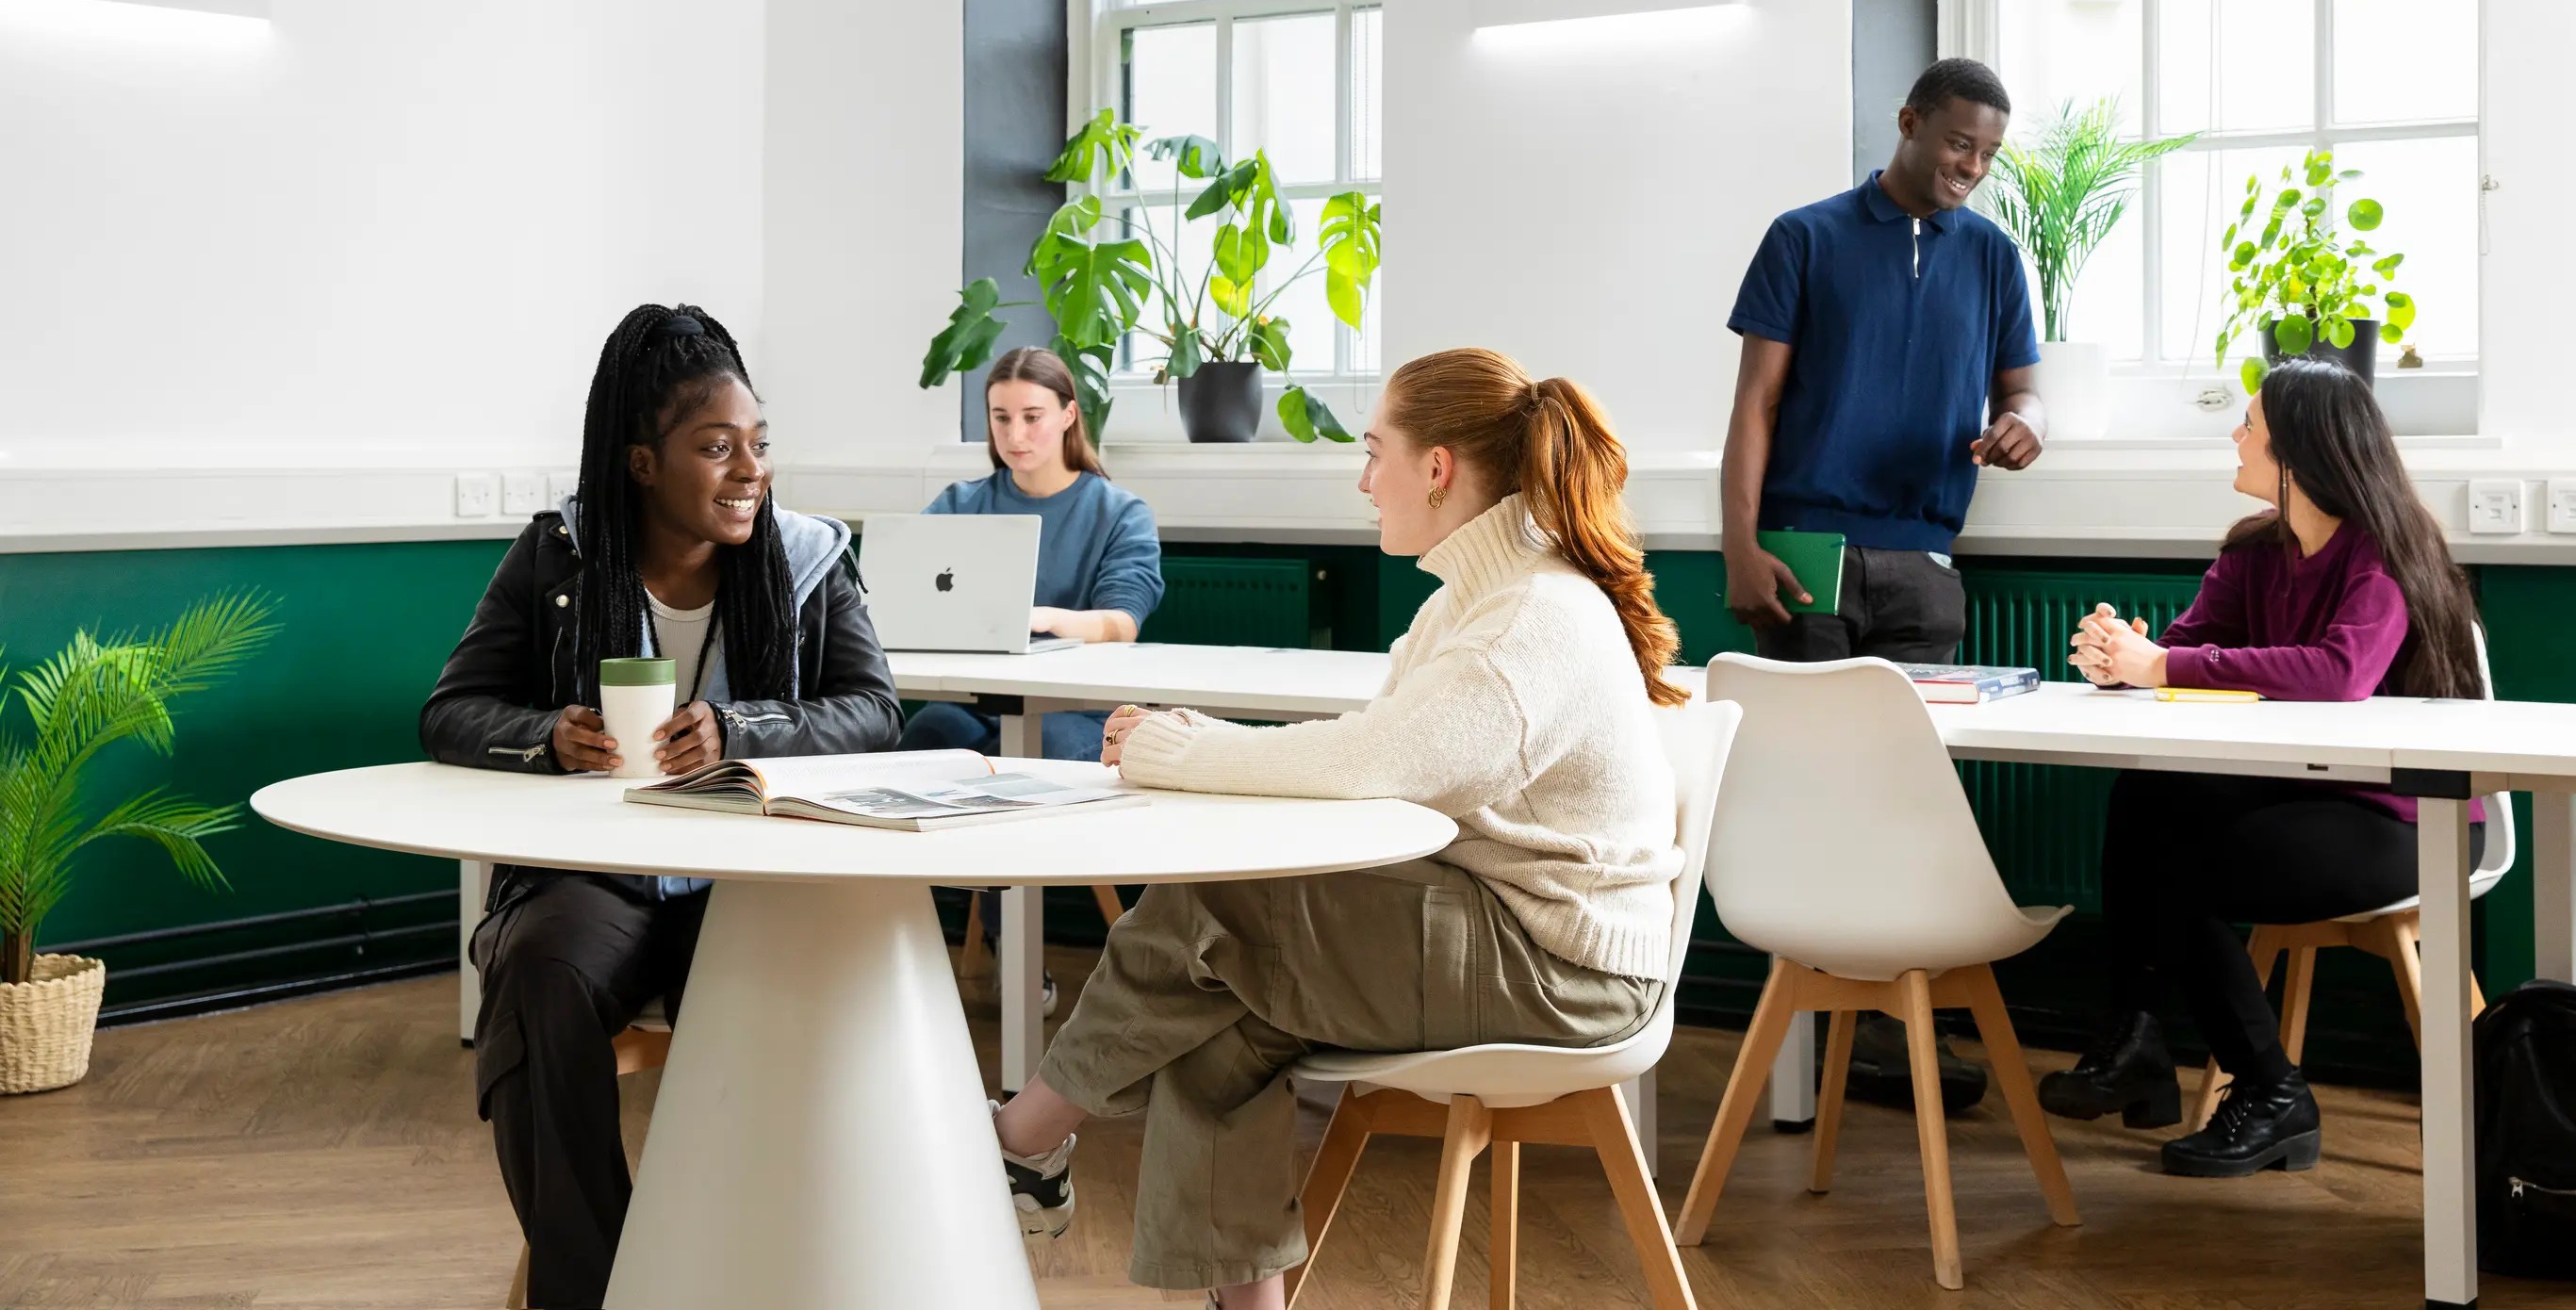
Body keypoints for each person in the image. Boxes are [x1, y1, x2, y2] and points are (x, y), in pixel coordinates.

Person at [986, 348, 1685, 1309]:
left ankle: (1020, 1140)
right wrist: (1192, 742)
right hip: (1511, 927)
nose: (1364, 480)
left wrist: (1184, 749)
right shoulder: (1474, 600)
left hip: (1565, 972)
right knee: (1220, 1027)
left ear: (1436, 468)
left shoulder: (1529, 619)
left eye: (1374, 451)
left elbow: (1375, 766)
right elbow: (1377, 747)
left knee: (1218, 900)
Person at [420, 304, 901, 1309]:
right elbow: (453, 708)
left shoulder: (809, 558)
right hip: (601, 875)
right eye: (716, 446)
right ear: (643, 462)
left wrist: (744, 731)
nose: (749, 469)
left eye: (759, 444)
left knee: (781, 1005)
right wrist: (548, 734)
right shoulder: (560, 553)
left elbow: (873, 711)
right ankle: (602, 1283)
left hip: (757, 875)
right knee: (538, 972)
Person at [2038, 355, 2485, 1179]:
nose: (2235, 436)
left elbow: (2339, 673)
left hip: (2402, 817)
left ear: (2303, 454)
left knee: (2181, 864)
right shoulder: (2253, 554)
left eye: (2251, 426)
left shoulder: (2385, 554)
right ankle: (2136, 1037)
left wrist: (2160, 668)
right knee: (2146, 798)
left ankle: (2267, 1089)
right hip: (2294, 799)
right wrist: (2119, 652)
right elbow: (2179, 646)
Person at [1720, 56, 2044, 1108]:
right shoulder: (1804, 236)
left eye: (1989, 154)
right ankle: (1805, 1061)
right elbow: (1756, 408)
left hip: (1926, 559)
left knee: (1905, 804)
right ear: (1909, 122)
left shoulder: (1994, 257)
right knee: (1816, 798)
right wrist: (1739, 542)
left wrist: (2025, 425)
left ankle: (1895, 1034)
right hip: (1808, 545)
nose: (1972, 167)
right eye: (1959, 143)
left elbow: (2026, 389)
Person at [897, 345, 1164, 765]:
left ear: (1068, 416)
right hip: (975, 701)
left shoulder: (1121, 513)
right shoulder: (959, 505)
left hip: (1078, 706)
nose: (1014, 435)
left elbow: (1122, 623)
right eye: (1001, 418)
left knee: (1040, 747)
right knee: (927, 737)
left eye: (1032, 417)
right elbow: (903, 586)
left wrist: (1042, 618)